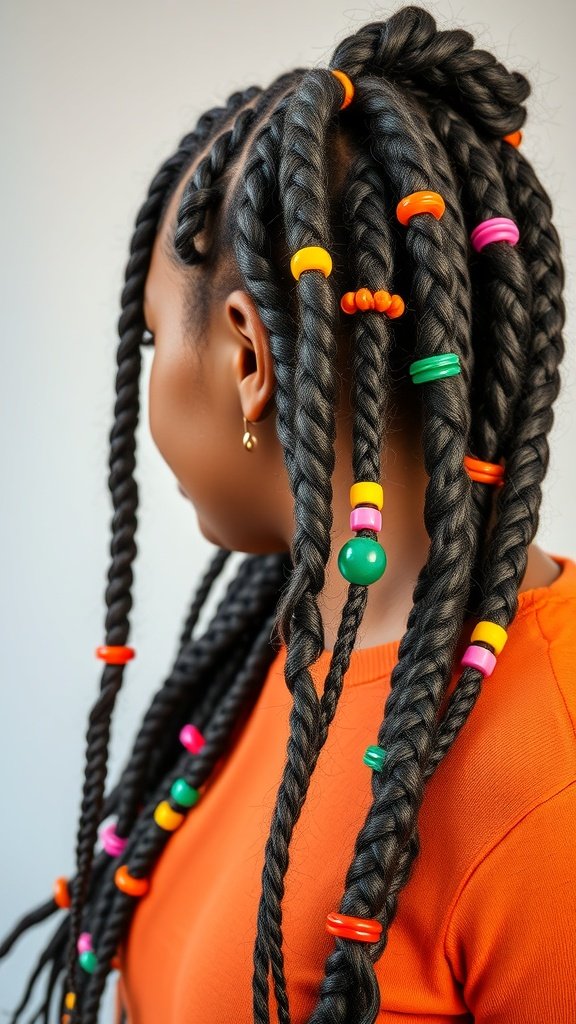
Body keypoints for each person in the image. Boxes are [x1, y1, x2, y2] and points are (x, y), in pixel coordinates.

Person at [2, 6, 575, 1023]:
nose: (148, 387)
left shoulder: (552, 783)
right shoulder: (290, 636)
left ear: (247, 358)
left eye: (149, 338)